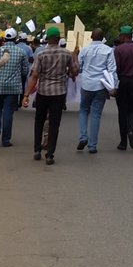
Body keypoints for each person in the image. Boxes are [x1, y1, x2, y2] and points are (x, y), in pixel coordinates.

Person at [22, 26, 78, 165]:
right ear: (58, 39)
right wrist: (75, 55)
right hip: (59, 93)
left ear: (47, 40)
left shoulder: (41, 55)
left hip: (43, 92)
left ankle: (36, 150)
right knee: (54, 124)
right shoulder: (67, 54)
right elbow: (75, 72)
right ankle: (50, 154)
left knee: (39, 121)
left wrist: (26, 95)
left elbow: (34, 75)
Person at [77, 28, 118, 154]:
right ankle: (92, 145)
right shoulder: (108, 50)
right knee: (96, 114)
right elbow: (112, 69)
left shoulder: (84, 50)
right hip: (101, 85)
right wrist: (114, 86)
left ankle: (83, 137)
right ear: (103, 38)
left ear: (91, 37)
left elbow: (79, 67)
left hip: (86, 84)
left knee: (84, 110)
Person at [0, 28, 29, 147]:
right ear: (15, 39)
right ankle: (6, 140)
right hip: (13, 87)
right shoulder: (21, 52)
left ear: (4, 39)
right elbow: (25, 71)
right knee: (8, 112)